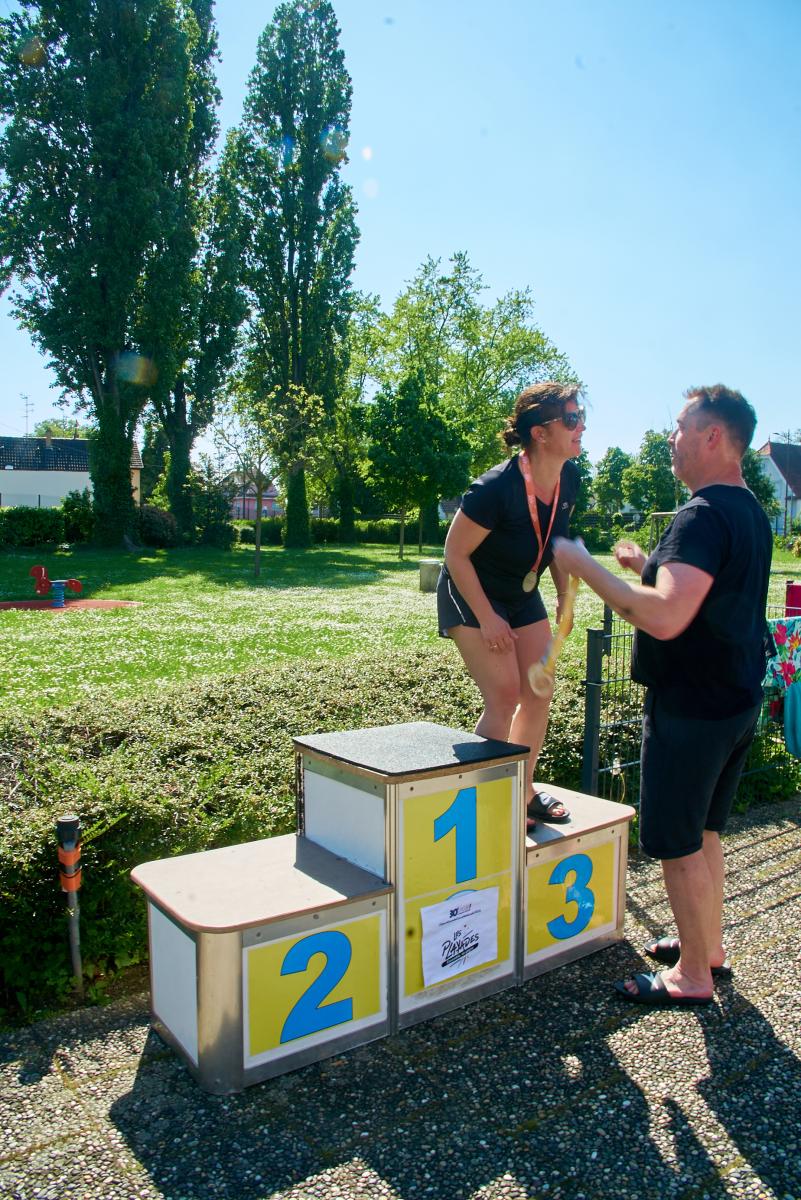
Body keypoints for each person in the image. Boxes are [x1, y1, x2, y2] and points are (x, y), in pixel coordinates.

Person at [552, 384, 772, 1006]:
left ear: (713, 436)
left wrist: (581, 563)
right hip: (734, 703)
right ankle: (708, 947)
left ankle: (692, 977)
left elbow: (667, 617)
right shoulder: (747, 511)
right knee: (706, 833)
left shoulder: (700, 515)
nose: (671, 439)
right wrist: (647, 566)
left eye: (680, 427)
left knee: (677, 844)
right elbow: (704, 594)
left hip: (690, 710)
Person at [437, 381, 586, 830]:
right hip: (470, 592)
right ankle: (484, 800)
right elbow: (454, 554)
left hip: (520, 594)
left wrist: (565, 597)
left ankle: (522, 789)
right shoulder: (495, 487)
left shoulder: (569, 479)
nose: (581, 427)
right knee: (504, 694)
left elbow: (555, 541)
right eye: (572, 419)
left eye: (581, 417)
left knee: (539, 689)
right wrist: (487, 618)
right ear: (540, 433)